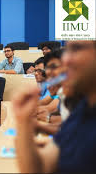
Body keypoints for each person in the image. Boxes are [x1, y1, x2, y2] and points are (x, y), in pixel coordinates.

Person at [13, 40, 96, 173]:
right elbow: (39, 168)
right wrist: (24, 122)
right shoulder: (83, 110)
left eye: (77, 48)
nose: (66, 60)